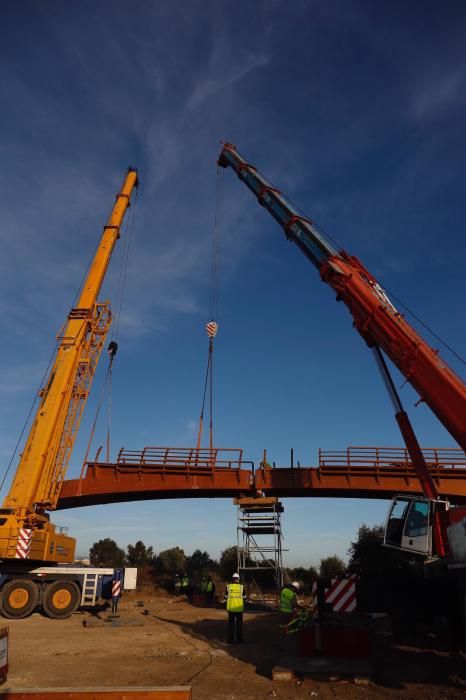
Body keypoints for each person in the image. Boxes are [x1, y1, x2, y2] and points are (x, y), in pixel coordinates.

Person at [223, 572, 246, 644]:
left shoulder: (228, 587)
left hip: (231, 609)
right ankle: (239, 641)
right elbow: (245, 598)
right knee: (239, 626)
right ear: (238, 579)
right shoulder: (241, 587)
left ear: (232, 579)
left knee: (231, 626)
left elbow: (226, 597)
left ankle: (230, 641)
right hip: (239, 609)